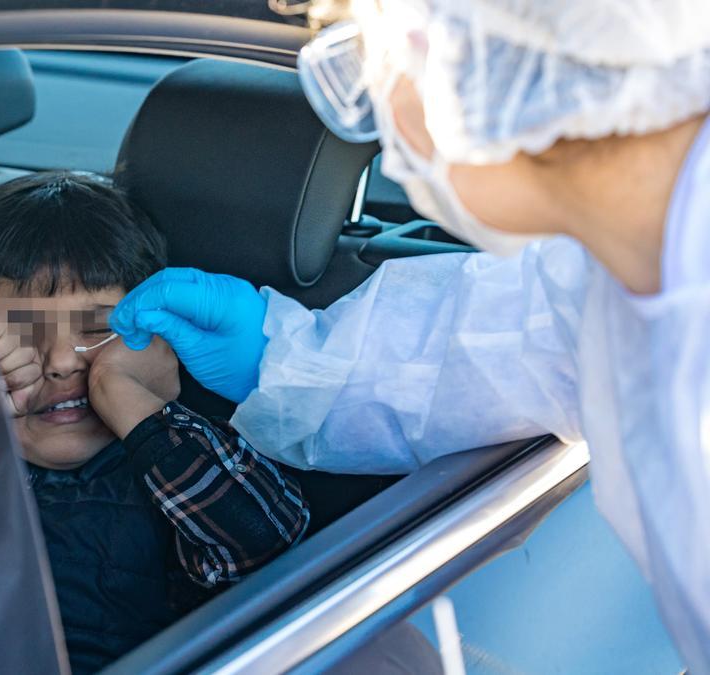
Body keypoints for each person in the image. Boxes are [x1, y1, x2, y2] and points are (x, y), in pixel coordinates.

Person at [109, 0, 710, 670]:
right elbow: (486, 348)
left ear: (454, 49)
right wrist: (279, 360)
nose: (380, 119)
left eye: (367, 58)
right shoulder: (631, 268)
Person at [0, 171, 312, 673]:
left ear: (161, 338)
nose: (61, 360)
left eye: (100, 327)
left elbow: (266, 538)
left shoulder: (177, 463)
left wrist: (130, 397)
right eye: (21, 329)